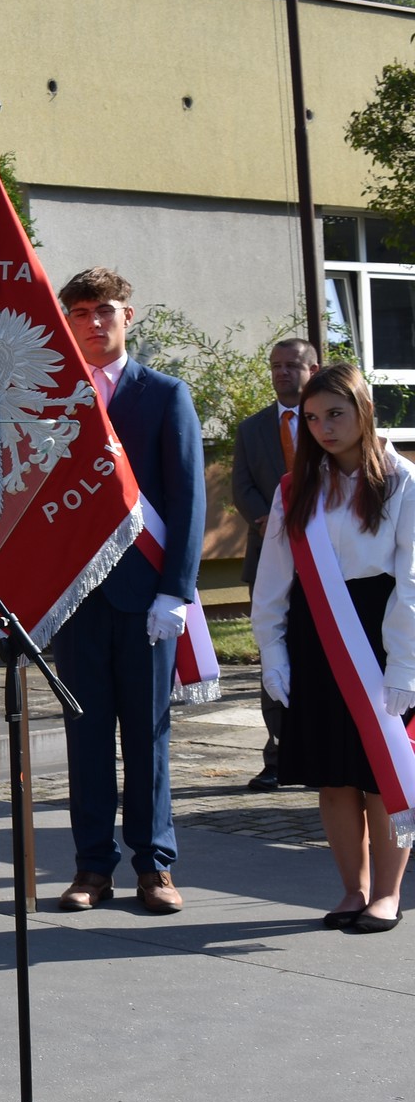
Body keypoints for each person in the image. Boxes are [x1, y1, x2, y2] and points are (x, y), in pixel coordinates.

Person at [51, 268, 203, 915]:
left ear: (128, 316)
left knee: (148, 738)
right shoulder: (53, 400)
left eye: (104, 309)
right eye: (80, 311)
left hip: (146, 599)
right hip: (76, 600)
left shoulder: (164, 395)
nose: (93, 322)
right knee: (85, 739)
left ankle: (155, 866)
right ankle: (92, 866)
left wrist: (176, 592)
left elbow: (188, 500)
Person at [250, 363, 415, 933]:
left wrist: (405, 668)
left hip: (381, 635)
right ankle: (352, 889)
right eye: (314, 418)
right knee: (333, 774)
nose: (324, 428)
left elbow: (412, 582)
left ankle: (387, 894)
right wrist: (273, 654)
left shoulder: (401, 481)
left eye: (336, 414)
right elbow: (273, 581)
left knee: (381, 770)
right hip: (316, 633)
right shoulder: (295, 489)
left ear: (364, 411)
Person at [232, 339, 320, 792]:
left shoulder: (328, 421)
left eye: (291, 365)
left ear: (312, 370)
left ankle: (322, 754)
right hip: (269, 559)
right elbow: (242, 487)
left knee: (321, 658)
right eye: (275, 365)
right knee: (274, 655)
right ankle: (278, 758)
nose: (282, 372)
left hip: (327, 562)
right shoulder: (251, 429)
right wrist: (269, 520)